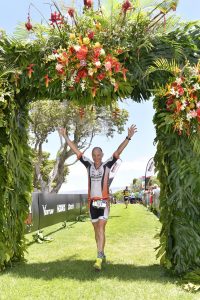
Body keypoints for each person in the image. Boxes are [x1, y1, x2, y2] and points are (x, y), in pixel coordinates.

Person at [59, 124, 137, 271]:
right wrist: (65, 136)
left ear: (102, 155)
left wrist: (129, 137)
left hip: (103, 202)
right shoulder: (88, 165)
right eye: (94, 155)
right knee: (97, 231)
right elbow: (76, 150)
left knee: (101, 227)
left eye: (98, 155)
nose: (96, 157)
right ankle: (101, 252)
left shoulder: (107, 164)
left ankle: (99, 258)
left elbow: (119, 150)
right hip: (92, 203)